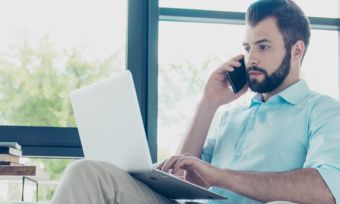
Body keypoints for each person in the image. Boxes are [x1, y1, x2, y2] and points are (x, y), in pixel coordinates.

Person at [51, 0, 340, 203]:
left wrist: (221, 176)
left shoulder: (322, 111)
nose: (251, 58)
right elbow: (186, 181)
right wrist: (208, 104)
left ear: (297, 50)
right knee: (86, 173)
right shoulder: (231, 116)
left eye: (263, 46)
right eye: (247, 47)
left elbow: (326, 189)